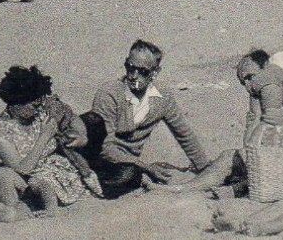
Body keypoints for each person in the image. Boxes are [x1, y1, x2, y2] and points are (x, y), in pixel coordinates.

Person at [181, 40, 283, 193]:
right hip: (282, 159)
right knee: (232, 156)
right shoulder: (263, 92)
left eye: (251, 77)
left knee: (235, 159)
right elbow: (252, 131)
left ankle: (194, 189)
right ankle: (190, 188)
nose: (248, 86)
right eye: (243, 82)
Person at [81, 40, 211, 197]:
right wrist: (146, 167)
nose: (134, 76)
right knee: (130, 175)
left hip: (126, 163)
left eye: (143, 72)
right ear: (125, 64)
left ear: (155, 72)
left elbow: (184, 135)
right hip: (96, 156)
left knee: (131, 175)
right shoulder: (110, 93)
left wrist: (205, 169)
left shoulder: (163, 97)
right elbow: (105, 147)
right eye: (130, 68)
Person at [0, 65, 97, 221]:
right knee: (3, 174)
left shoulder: (44, 108)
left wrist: (81, 135)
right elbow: (22, 168)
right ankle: (12, 210)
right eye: (34, 106)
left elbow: (71, 116)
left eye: (40, 104)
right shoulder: (1, 130)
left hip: (52, 172)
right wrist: (44, 136)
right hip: (25, 173)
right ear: (15, 104)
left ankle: (51, 210)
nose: (38, 110)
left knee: (39, 180)